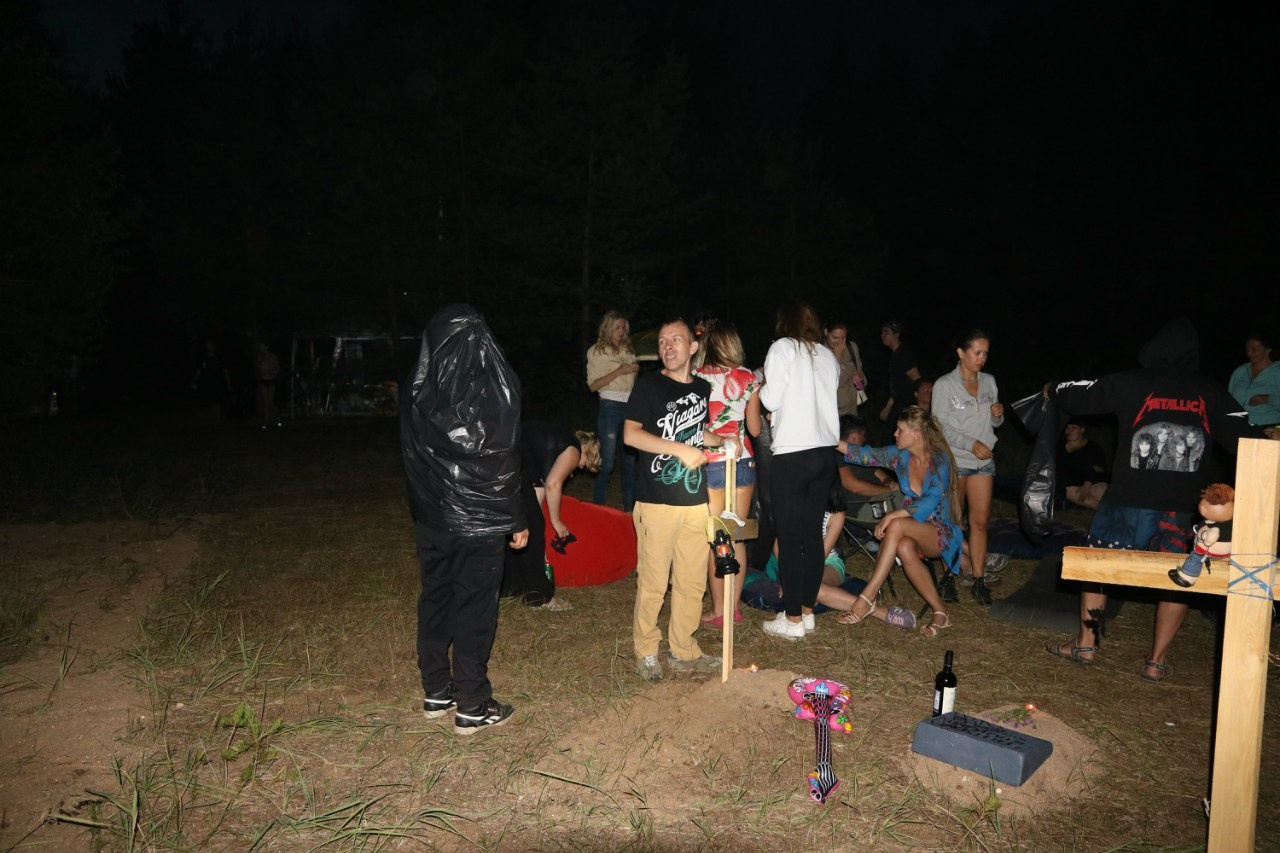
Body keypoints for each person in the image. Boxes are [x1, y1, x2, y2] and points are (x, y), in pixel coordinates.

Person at [1044, 317, 1265, 683]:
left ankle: (1086, 645)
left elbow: (1081, 393)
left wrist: (1053, 388)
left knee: (1098, 567)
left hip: (1126, 502)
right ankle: (1155, 661)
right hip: (1180, 511)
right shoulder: (1209, 390)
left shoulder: (1133, 381)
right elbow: (1245, 434)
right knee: (1178, 578)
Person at [401, 304, 525, 734]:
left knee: (437, 597)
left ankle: (437, 689)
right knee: (474, 607)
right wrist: (514, 516)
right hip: (477, 520)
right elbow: (503, 458)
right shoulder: (494, 389)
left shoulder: (418, 387)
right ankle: (472, 703)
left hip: (433, 516)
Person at [624, 316, 719, 680]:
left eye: (675, 339)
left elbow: (693, 431)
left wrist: (720, 440)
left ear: (693, 347)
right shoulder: (648, 385)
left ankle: (683, 648)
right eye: (663, 341)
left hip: (695, 500)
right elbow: (632, 435)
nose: (667, 346)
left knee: (692, 581)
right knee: (653, 581)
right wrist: (680, 450)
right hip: (657, 500)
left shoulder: (702, 389)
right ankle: (646, 650)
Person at [836, 406, 963, 637]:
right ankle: (940, 611)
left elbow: (930, 500)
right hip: (912, 529)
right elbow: (863, 454)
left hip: (941, 532)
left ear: (916, 435)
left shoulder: (940, 460)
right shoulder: (900, 456)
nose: (894, 434)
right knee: (904, 546)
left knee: (895, 524)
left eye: (900, 430)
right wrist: (826, 437)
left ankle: (867, 598)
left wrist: (893, 514)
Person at [759, 301, 841, 640]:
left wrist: (759, 386)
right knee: (811, 536)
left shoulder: (783, 348)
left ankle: (792, 618)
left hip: (793, 455)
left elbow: (770, 400)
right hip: (825, 455)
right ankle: (807, 612)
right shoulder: (828, 356)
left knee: (789, 539)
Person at [694, 321, 762, 628]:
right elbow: (755, 429)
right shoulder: (748, 377)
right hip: (743, 460)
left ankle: (719, 610)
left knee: (716, 536)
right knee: (737, 534)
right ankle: (733, 608)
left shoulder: (696, 377)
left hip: (711, 460)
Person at [931, 329, 1004, 605]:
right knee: (952, 522)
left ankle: (978, 579)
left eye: (985, 353)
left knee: (980, 522)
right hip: (956, 462)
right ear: (961, 353)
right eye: (977, 352)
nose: (982, 358)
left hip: (983, 462)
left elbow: (994, 423)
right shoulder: (944, 385)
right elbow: (938, 426)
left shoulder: (989, 382)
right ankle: (949, 577)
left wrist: (997, 416)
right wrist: (969, 443)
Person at [501, 421, 602, 611]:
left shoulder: (545, 451)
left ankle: (511, 588)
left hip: (503, 469)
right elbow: (553, 484)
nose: (580, 467)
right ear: (586, 449)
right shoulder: (573, 449)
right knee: (531, 533)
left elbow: (535, 502)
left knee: (523, 530)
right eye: (586, 462)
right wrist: (556, 521)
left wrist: (538, 541)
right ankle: (540, 597)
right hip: (512, 469)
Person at [586, 310, 640, 511]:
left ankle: (629, 511)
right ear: (607, 328)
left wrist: (634, 371)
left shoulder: (629, 350)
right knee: (607, 463)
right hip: (610, 407)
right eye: (617, 327)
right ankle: (597, 509)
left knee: (629, 462)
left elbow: (630, 381)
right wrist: (619, 371)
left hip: (630, 406)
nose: (621, 331)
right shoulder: (596, 352)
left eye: (624, 327)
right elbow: (593, 386)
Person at [1228, 333, 1280, 427]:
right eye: (1247, 349)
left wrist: (1267, 399)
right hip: (1239, 425)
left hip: (1269, 426)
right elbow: (1228, 399)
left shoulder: (1277, 371)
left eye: (1254, 349)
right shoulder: (1240, 371)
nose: (1249, 353)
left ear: (1268, 349)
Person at [878, 320, 921, 430]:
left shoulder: (904, 355)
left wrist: (920, 409)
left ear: (896, 334)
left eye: (886, 332)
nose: (882, 335)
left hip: (906, 407)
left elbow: (918, 381)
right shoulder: (895, 355)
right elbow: (896, 388)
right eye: (882, 332)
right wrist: (887, 408)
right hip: (898, 405)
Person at [1057, 420, 1109, 509]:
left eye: (1074, 428)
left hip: (1093, 481)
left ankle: (1117, 506)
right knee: (1067, 490)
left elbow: (1098, 468)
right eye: (1067, 428)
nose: (1069, 431)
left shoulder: (1093, 447)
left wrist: (1087, 483)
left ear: (1082, 430)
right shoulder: (1059, 447)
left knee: (1099, 491)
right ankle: (1103, 509)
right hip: (1071, 485)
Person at [825, 321, 869, 418]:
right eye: (835, 338)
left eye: (843, 338)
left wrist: (860, 378)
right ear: (826, 332)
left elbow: (863, 380)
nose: (840, 343)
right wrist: (837, 358)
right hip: (835, 412)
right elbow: (828, 383)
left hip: (852, 409)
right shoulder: (821, 353)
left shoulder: (851, 347)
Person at [191, 339, 231, 423]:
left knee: (217, 401)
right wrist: (194, 380)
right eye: (208, 345)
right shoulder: (203, 359)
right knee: (211, 401)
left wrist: (228, 382)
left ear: (214, 346)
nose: (209, 347)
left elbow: (225, 370)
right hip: (207, 383)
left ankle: (217, 420)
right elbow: (199, 371)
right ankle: (214, 419)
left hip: (218, 382)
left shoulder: (219, 358)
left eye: (211, 345)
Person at [254, 342, 281, 428]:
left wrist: (269, 372)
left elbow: (276, 368)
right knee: (265, 402)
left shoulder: (272, 357)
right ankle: (266, 422)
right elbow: (258, 369)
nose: (261, 348)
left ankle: (278, 419)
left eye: (263, 346)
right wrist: (260, 374)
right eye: (260, 346)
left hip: (271, 380)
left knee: (270, 402)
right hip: (263, 380)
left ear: (266, 347)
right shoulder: (260, 358)